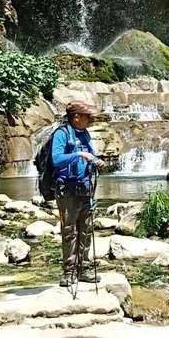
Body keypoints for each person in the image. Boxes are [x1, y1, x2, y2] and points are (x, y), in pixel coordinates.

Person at [52, 99, 100, 288]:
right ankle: (69, 272)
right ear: (76, 117)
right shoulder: (61, 134)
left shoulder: (84, 134)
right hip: (67, 190)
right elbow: (56, 160)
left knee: (86, 229)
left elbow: (91, 155)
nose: (90, 120)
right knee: (69, 232)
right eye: (87, 117)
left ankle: (84, 268)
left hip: (85, 188)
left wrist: (96, 161)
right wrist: (79, 155)